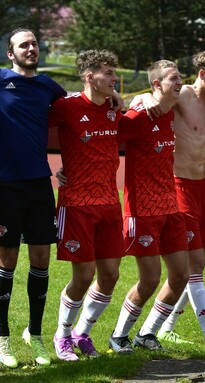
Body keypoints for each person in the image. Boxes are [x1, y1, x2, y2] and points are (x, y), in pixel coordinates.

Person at [141, 51, 205, 352]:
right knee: (193, 265)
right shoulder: (182, 95)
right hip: (179, 185)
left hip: (202, 187)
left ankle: (158, 330)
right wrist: (142, 100)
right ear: (203, 73)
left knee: (195, 266)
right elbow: (151, 97)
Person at [108, 60, 189, 353]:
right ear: (157, 85)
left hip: (171, 207)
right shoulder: (140, 115)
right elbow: (105, 139)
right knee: (151, 277)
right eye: (173, 79)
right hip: (141, 210)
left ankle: (147, 333)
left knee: (181, 275)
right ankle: (119, 335)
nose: (180, 83)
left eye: (181, 78)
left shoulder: (170, 109)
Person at [50, 50, 124, 362]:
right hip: (77, 204)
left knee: (110, 275)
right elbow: (28, 130)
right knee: (83, 275)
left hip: (109, 203)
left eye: (114, 72)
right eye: (107, 72)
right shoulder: (65, 107)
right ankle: (62, 335)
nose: (114, 78)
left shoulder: (113, 107)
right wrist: (51, 168)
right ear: (89, 76)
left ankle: (82, 332)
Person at [0, 28, 67, 368]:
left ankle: (35, 334)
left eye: (34, 44)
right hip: (5, 186)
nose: (31, 48)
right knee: (6, 260)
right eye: (23, 45)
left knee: (42, 258)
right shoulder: (0, 79)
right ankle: (2, 340)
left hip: (40, 183)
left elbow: (78, 112)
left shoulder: (49, 87)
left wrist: (115, 97)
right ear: (10, 53)